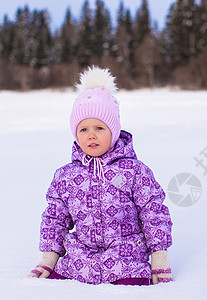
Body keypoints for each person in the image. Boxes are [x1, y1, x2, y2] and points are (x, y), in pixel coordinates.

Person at [29, 66, 173, 285]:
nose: (91, 135)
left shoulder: (134, 171)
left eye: (99, 128)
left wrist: (159, 257)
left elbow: (154, 211)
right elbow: (54, 219)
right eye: (83, 129)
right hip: (79, 263)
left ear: (113, 131)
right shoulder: (65, 176)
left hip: (126, 260)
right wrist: (49, 259)